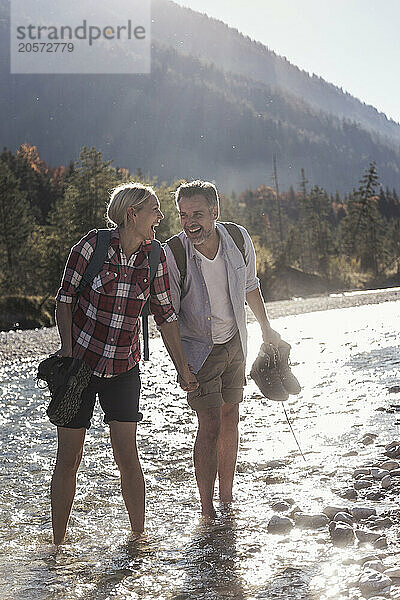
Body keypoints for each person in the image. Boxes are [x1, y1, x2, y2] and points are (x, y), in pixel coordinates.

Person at [51, 182, 197, 546]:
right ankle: (57, 546)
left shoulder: (155, 256)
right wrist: (67, 353)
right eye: (154, 210)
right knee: (69, 456)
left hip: (123, 367)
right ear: (132, 214)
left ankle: (138, 540)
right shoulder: (92, 246)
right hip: (80, 367)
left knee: (127, 455)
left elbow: (165, 316)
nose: (160, 218)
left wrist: (184, 370)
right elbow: (65, 299)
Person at [164, 180, 282, 518]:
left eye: (197, 214)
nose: (190, 223)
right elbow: (167, 315)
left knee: (231, 417)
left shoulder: (239, 239)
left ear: (216, 211)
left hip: (235, 343)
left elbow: (250, 286)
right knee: (210, 423)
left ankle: (227, 499)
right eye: (183, 215)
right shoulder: (174, 253)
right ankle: (207, 509)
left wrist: (266, 327)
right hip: (199, 352)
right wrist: (180, 366)